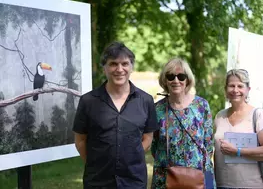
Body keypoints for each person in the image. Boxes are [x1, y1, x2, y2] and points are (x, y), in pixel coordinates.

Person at [72, 41, 159, 189]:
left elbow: (148, 137)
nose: (120, 69)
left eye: (125, 64)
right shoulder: (88, 101)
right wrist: (98, 163)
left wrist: (130, 156)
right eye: (113, 64)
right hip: (98, 182)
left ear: (131, 67)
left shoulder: (146, 100)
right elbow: (80, 140)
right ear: (104, 68)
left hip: (134, 181)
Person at [151, 58, 215, 189]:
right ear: (165, 80)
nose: (176, 81)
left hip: (198, 175)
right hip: (166, 177)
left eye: (181, 76)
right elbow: (154, 145)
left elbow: (208, 143)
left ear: (188, 80)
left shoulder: (201, 105)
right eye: (170, 76)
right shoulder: (157, 109)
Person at [214, 69, 263, 189]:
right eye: (231, 86)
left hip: (250, 185)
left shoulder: (257, 115)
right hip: (222, 185)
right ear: (226, 89)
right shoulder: (220, 116)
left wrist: (237, 151)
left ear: (248, 90)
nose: (235, 90)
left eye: (240, 86)